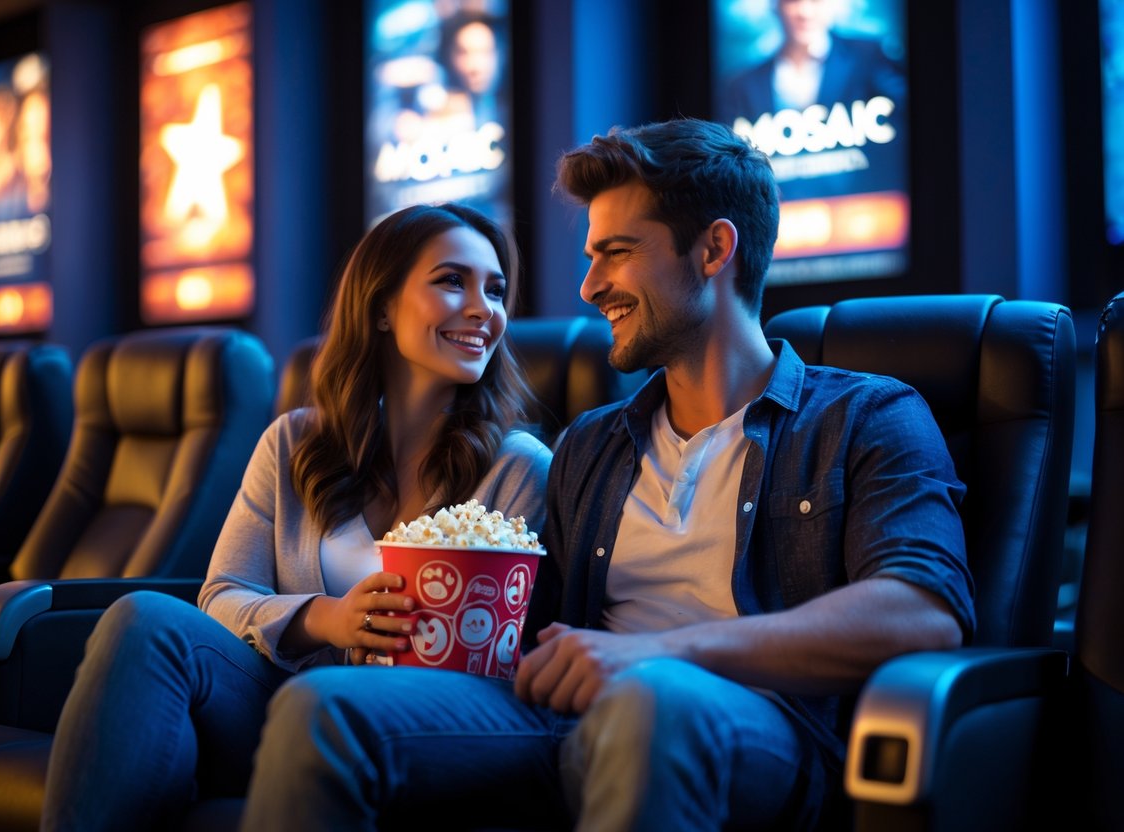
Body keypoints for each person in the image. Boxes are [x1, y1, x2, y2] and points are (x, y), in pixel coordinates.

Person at [239, 117, 975, 830]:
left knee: (647, 701)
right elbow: (529, 628)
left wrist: (659, 651)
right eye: (591, 257)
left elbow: (922, 612)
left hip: (760, 728)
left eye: (616, 253)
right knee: (328, 704)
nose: (590, 287)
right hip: (561, 724)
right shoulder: (592, 444)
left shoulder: (863, 416)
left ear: (714, 249)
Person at [39, 202, 552, 830]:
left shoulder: (517, 466)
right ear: (382, 306)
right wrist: (325, 618)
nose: (484, 309)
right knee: (145, 618)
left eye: (495, 291)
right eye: (452, 281)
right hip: (264, 703)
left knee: (321, 706)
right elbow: (222, 594)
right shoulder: (293, 443)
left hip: (397, 732)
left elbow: (496, 655)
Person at [718, 0, 907, 125]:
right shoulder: (742, 85)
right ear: (775, 7)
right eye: (793, 1)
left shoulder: (870, 56)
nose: (805, 12)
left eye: (816, 1)